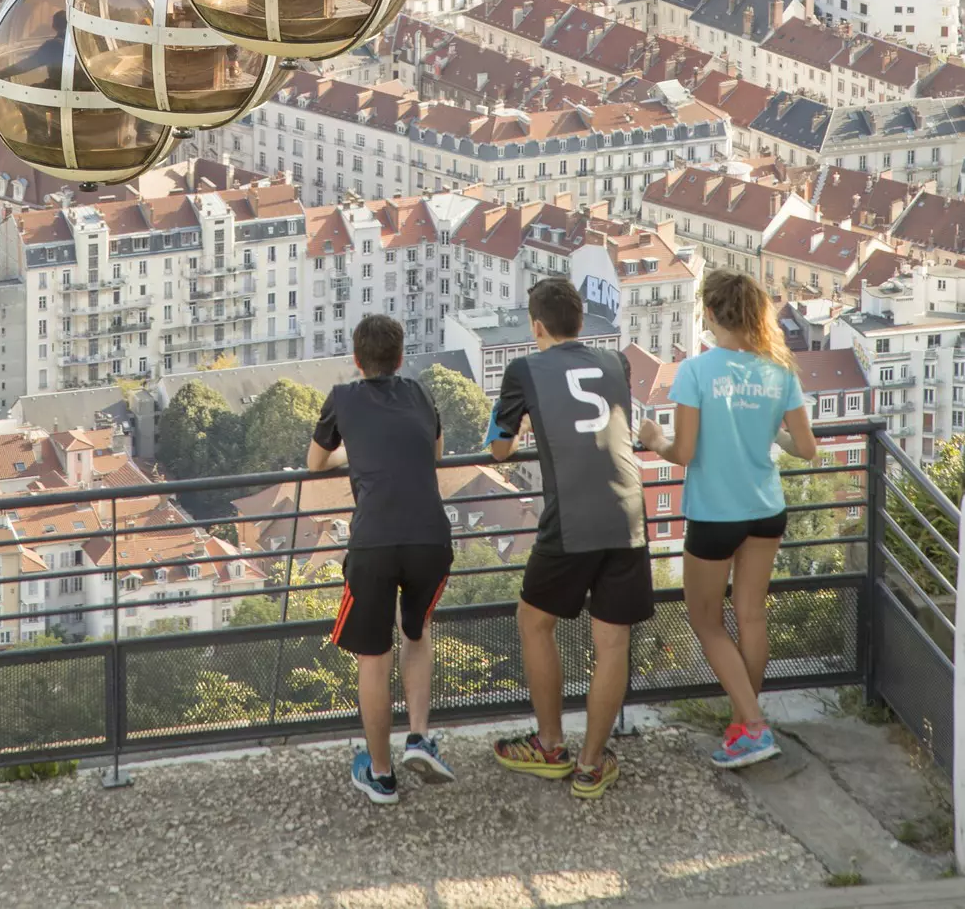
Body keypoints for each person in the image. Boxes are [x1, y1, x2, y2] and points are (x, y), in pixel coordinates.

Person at [639, 268, 816, 770]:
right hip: (766, 508)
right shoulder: (779, 369)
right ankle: (743, 725)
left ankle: (753, 727)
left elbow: (684, 452)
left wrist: (653, 440)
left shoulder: (696, 371)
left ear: (711, 313)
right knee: (751, 616)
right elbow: (806, 448)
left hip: (716, 512)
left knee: (706, 620)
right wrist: (769, 435)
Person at [488, 276, 652, 801]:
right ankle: (590, 764)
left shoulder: (523, 370)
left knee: (534, 622)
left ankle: (551, 744)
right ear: (580, 322)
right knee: (613, 643)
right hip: (627, 514)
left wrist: (522, 428)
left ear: (537, 327)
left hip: (572, 516)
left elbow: (498, 449)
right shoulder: (617, 363)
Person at [310, 313, 455, 805]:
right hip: (430, 537)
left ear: (357, 359)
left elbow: (315, 462)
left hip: (374, 540)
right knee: (416, 631)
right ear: (400, 358)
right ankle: (419, 737)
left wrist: (354, 453)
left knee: (373, 658)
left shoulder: (342, 397)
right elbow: (435, 453)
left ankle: (381, 775)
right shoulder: (420, 394)